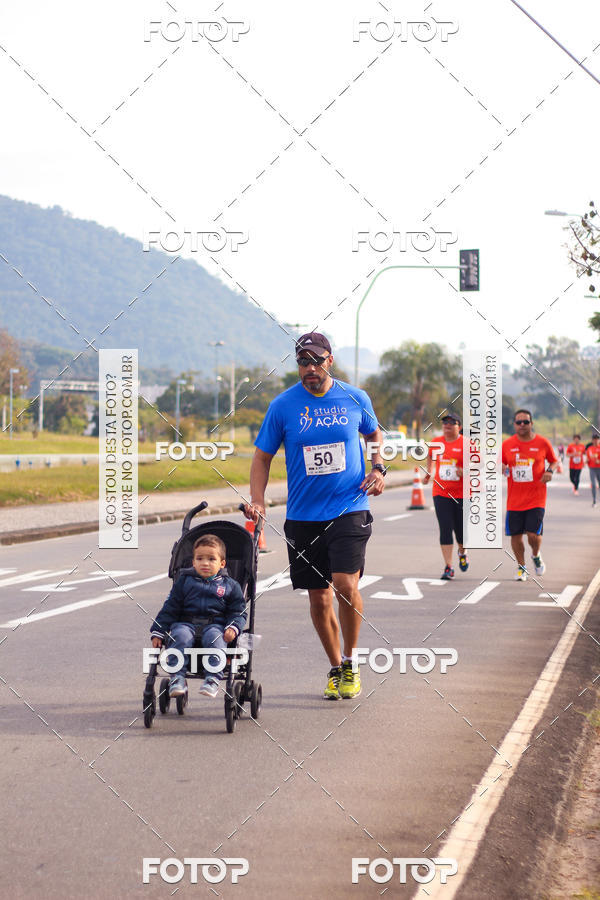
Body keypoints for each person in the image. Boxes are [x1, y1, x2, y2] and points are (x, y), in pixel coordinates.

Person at [243, 332, 385, 701]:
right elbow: (262, 457)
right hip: (303, 516)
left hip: (350, 507)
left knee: (345, 584)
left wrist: (379, 467)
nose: (309, 369)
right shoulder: (283, 405)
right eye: (303, 362)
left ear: (330, 361)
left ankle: (352, 663)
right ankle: (335, 666)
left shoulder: (355, 397)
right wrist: (258, 501)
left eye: (316, 361)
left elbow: (374, 435)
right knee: (319, 598)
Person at [150, 535, 247, 698]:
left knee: (216, 638)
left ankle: (212, 678)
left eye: (211, 559)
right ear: (193, 562)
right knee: (178, 635)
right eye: (199, 558)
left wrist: (233, 627)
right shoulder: (185, 581)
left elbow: (238, 611)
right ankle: (177, 677)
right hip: (186, 623)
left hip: (216, 625)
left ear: (222, 563)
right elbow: (170, 607)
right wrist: (158, 631)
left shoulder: (229, 585)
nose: (205, 563)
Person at [502, 410, 558, 581]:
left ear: (531, 423)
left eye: (525, 422)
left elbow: (554, 461)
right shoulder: (507, 444)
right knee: (516, 536)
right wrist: (502, 468)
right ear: (514, 424)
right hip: (514, 500)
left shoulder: (542, 442)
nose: (522, 425)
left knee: (533, 535)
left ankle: (535, 555)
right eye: (518, 422)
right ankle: (521, 567)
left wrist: (549, 471)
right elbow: (500, 463)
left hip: (536, 498)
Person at [423, 413, 467, 580]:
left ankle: (463, 553)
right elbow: (430, 456)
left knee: (461, 532)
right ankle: (448, 566)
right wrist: (429, 471)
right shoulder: (436, 443)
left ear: (459, 426)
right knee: (445, 528)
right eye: (445, 422)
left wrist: (466, 471)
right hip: (441, 493)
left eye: (452, 422)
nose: (447, 425)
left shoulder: (466, 444)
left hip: (462, 494)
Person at [586, 433, 600, 506]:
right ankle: (594, 500)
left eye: (597, 439)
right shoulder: (589, 449)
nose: (596, 440)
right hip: (592, 469)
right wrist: (586, 461)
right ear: (592, 440)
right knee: (593, 485)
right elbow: (588, 458)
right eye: (594, 439)